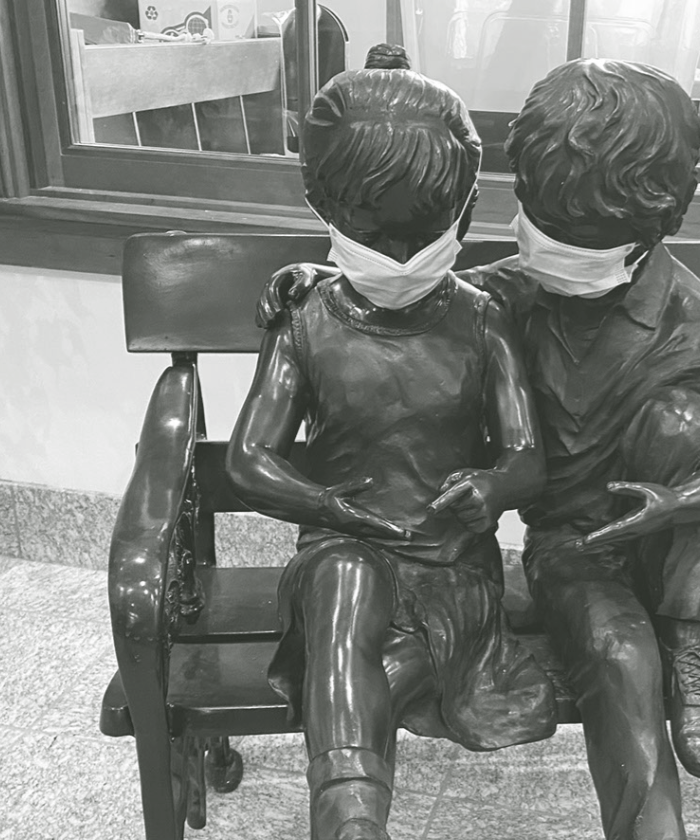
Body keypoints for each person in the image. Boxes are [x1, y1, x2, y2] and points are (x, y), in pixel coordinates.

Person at [267, 58, 700, 840]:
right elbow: (410, 296)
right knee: (612, 648)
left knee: (682, 433)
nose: (549, 248)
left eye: (582, 241)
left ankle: (689, 646)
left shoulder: (693, 317)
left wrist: (677, 502)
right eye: (543, 221)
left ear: (653, 227)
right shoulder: (510, 290)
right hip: (567, 549)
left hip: (651, 550)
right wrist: (329, 276)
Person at [228, 48, 557, 840]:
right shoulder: (308, 318)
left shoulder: (482, 319)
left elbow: (529, 460)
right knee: (344, 587)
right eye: (377, 235)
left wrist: (494, 487)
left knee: (365, 670)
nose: (401, 258)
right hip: (342, 545)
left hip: (449, 563)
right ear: (329, 212)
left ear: (463, 216)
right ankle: (350, 822)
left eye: (420, 235)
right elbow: (248, 459)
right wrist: (332, 507)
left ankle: (350, 808)